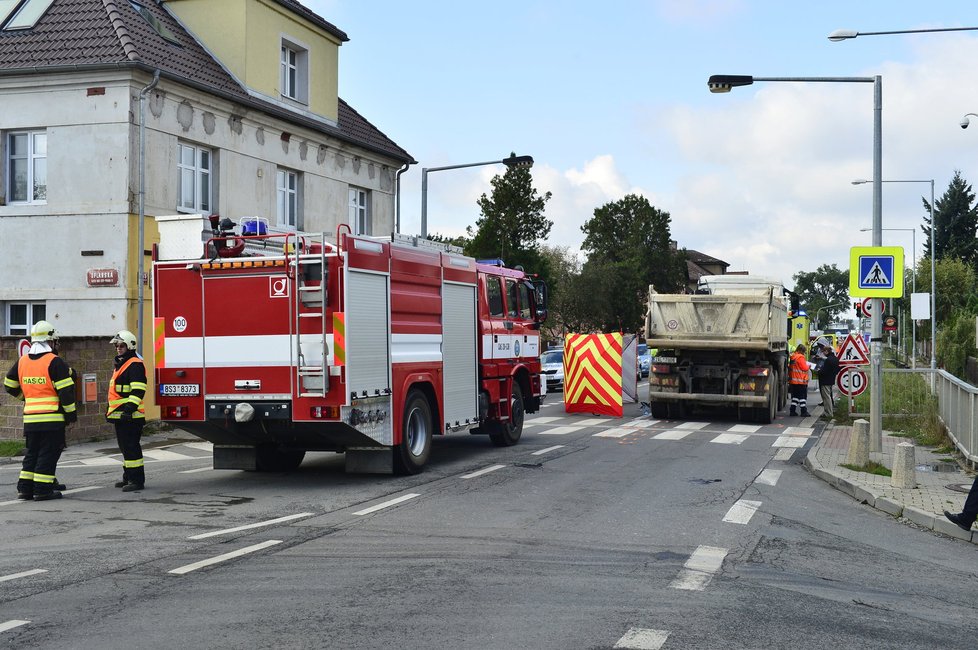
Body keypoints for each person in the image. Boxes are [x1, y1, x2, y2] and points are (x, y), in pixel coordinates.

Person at [3, 320, 76, 500]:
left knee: (32, 453)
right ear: (50, 341)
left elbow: (9, 385)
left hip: (30, 419)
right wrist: (70, 414)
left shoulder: (22, 361)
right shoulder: (55, 362)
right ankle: (43, 489)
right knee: (48, 453)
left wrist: (26, 397)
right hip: (51, 418)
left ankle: (25, 488)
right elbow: (66, 392)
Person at [106, 330, 147, 492]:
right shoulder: (122, 364)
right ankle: (128, 477)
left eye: (121, 345)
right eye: (116, 345)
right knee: (125, 448)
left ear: (129, 346)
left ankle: (136, 481)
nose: (118, 348)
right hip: (121, 415)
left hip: (131, 416)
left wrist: (129, 410)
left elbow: (138, 390)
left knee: (131, 448)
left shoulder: (134, 364)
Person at [788, 343, 812, 417]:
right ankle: (803, 411)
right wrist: (809, 366)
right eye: (804, 352)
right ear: (802, 351)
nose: (804, 353)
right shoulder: (800, 357)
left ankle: (792, 410)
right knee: (802, 397)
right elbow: (804, 368)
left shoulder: (793, 357)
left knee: (795, 396)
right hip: (801, 381)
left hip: (794, 381)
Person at [817, 344, 841, 419]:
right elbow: (837, 369)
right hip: (831, 380)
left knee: (826, 397)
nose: (823, 353)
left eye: (823, 351)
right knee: (828, 397)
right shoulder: (835, 359)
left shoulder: (828, 360)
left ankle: (828, 413)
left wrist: (818, 371)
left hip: (825, 381)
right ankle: (828, 412)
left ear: (827, 351)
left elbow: (824, 371)